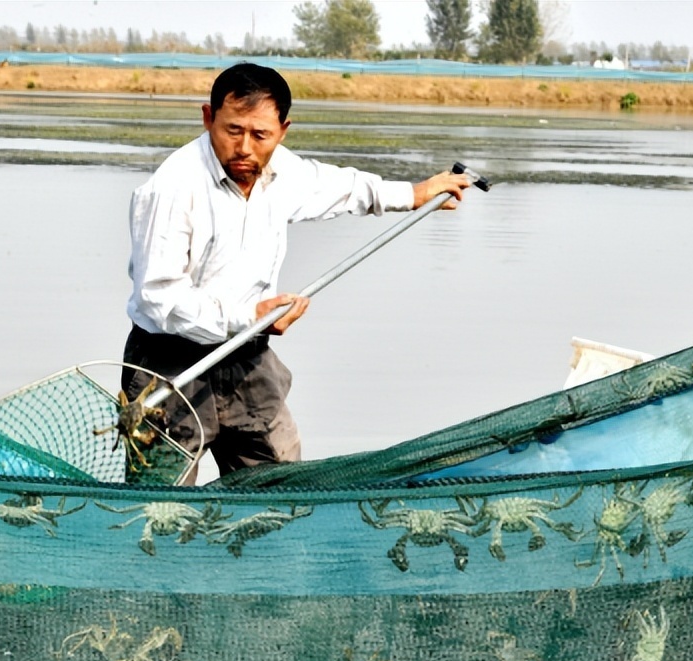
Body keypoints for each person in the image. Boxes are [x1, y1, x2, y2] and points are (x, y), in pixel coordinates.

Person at [122, 62, 471, 484]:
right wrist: (249, 317)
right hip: (170, 361)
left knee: (281, 485)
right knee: (161, 506)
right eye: (233, 130)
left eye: (260, 135)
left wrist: (414, 194)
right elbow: (158, 298)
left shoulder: (281, 171)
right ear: (208, 117)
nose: (245, 148)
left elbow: (340, 188)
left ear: (282, 130)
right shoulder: (173, 188)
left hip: (247, 355)